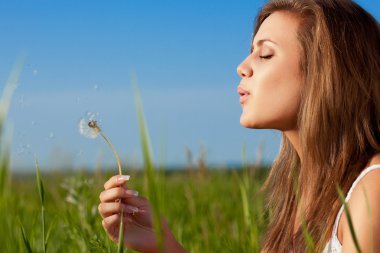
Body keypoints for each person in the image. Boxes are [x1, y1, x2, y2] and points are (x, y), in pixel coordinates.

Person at [98, 0, 380, 252]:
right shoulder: (301, 192)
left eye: (265, 54)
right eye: (250, 52)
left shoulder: (372, 189)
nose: (242, 67)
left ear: (327, 73)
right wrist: (163, 244)